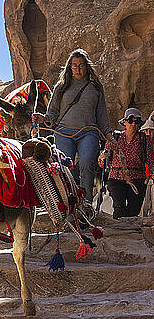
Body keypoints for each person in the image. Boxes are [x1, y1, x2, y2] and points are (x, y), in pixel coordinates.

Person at [34, 48, 116, 204]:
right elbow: (52, 113)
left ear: (87, 66)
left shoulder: (96, 87)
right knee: (66, 168)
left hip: (88, 132)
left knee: (86, 163)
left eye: (81, 65)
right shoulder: (62, 86)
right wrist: (43, 119)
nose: (78, 69)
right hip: (64, 132)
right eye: (74, 65)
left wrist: (110, 136)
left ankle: (86, 205)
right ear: (69, 67)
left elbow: (102, 115)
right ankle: (69, 205)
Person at [98, 108, 154, 218]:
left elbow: (151, 162)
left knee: (133, 212)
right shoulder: (115, 138)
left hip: (137, 179)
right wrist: (102, 157)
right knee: (119, 209)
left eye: (137, 121)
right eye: (130, 120)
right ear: (124, 122)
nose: (133, 124)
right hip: (116, 178)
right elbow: (101, 163)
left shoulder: (144, 139)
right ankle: (116, 233)